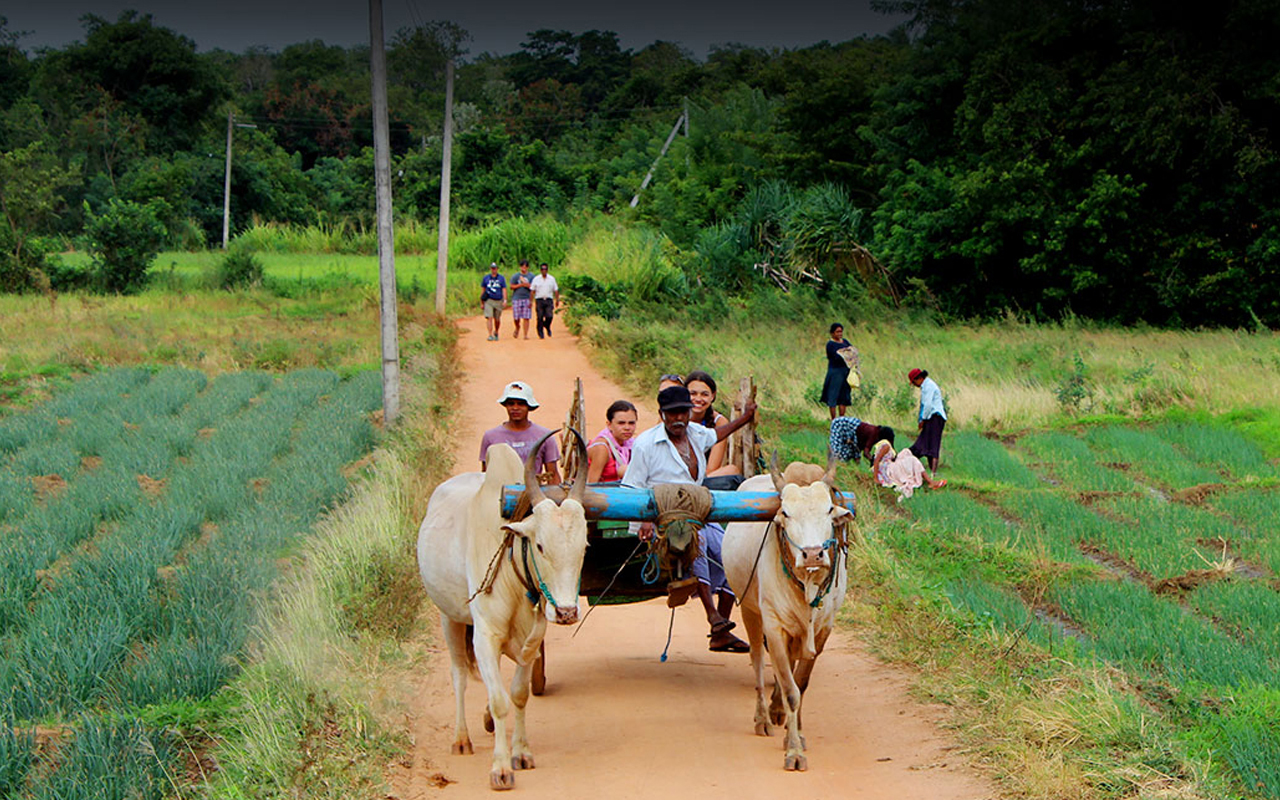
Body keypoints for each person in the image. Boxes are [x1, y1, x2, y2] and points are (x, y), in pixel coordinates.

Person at [624, 385, 757, 653]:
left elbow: (717, 434)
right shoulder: (645, 444)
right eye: (671, 414)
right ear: (662, 415)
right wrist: (645, 521)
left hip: (699, 509)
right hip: (667, 517)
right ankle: (712, 617)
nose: (678, 419)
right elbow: (633, 487)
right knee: (697, 542)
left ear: (689, 412)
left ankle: (722, 628)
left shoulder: (696, 433)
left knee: (731, 551)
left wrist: (745, 418)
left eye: (682, 413)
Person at [479, 381, 562, 483]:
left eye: (521, 404)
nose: (515, 408)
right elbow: (485, 475)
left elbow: (552, 475)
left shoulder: (545, 437)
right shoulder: (490, 437)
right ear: (505, 405)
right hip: (500, 494)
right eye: (511, 404)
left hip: (534, 493)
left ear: (529, 406)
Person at [684, 370, 741, 479]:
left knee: (732, 470)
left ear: (713, 396)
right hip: (673, 473)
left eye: (704, 394)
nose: (698, 399)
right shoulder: (672, 416)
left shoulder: (719, 422)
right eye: (693, 394)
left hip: (703, 477)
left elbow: (712, 468)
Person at [870, 439, 945, 500]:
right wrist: (876, 478)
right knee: (912, 460)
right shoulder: (885, 446)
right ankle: (930, 481)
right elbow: (877, 460)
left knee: (907, 453)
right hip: (887, 469)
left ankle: (929, 481)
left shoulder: (885, 446)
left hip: (890, 466)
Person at [586, 400, 638, 483]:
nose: (627, 427)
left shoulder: (633, 444)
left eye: (631, 423)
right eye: (621, 423)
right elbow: (590, 485)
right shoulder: (602, 449)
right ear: (609, 425)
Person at [908, 368, 947, 475]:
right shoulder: (925, 386)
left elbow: (928, 405)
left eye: (914, 382)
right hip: (931, 417)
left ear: (919, 378)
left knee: (933, 443)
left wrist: (923, 420)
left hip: (935, 418)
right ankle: (931, 471)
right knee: (927, 442)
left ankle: (933, 472)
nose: (915, 385)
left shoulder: (928, 386)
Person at [822, 323, 855, 419]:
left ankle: (841, 419)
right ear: (832, 333)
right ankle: (834, 420)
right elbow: (836, 357)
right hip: (835, 372)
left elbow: (852, 352)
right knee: (833, 396)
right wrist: (845, 354)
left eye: (841, 331)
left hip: (845, 372)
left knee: (843, 397)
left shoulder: (845, 342)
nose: (840, 334)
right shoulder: (830, 344)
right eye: (837, 332)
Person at [829, 417, 896, 463]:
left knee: (854, 453)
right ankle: (835, 466)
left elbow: (891, 447)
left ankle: (854, 469)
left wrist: (894, 457)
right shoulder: (874, 434)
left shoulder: (879, 435)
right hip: (841, 424)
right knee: (837, 451)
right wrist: (873, 461)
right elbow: (866, 453)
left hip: (856, 434)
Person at [531, 262, 560, 339]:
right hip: (539, 300)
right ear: (540, 270)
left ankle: (547, 326)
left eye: (545, 269)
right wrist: (530, 301)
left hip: (548, 300)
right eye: (542, 269)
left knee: (549, 316)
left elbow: (556, 290)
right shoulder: (536, 279)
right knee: (540, 317)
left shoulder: (551, 279)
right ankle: (540, 332)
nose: (544, 271)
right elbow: (532, 290)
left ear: (547, 270)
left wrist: (557, 300)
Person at [480, 263, 507, 341]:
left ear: (497, 269)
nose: (493, 270)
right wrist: (482, 302)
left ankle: (496, 331)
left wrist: (505, 300)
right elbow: (483, 290)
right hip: (489, 300)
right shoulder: (486, 278)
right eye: (492, 268)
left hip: (498, 300)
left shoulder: (501, 278)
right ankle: (490, 334)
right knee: (489, 317)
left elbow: (504, 289)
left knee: (497, 319)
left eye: (495, 268)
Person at [510, 260, 534, 340]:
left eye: (525, 266)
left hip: (527, 298)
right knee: (516, 317)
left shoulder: (531, 276)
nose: (524, 268)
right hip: (517, 298)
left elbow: (533, 288)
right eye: (522, 266)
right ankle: (517, 327)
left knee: (526, 317)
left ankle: (525, 334)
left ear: (528, 267)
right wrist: (521, 285)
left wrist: (527, 285)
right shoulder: (516, 276)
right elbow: (511, 286)